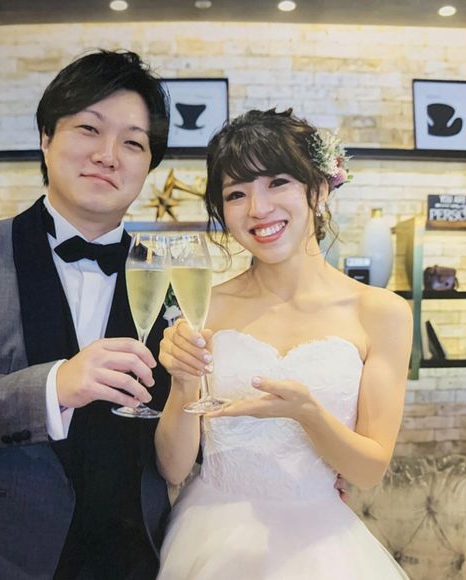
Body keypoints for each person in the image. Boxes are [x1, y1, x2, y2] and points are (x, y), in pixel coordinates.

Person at [0, 49, 171, 580]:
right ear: (47, 138)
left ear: (148, 164)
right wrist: (56, 386)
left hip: (138, 557)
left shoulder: (168, 274)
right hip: (0, 555)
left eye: (133, 142)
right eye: (88, 129)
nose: (107, 155)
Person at [155, 109, 413, 579]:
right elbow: (173, 469)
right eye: (236, 194)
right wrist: (183, 382)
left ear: (319, 189)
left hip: (321, 545)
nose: (258, 208)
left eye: (277, 182)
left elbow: (368, 471)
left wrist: (307, 413)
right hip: (210, 533)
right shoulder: (204, 305)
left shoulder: (381, 313)